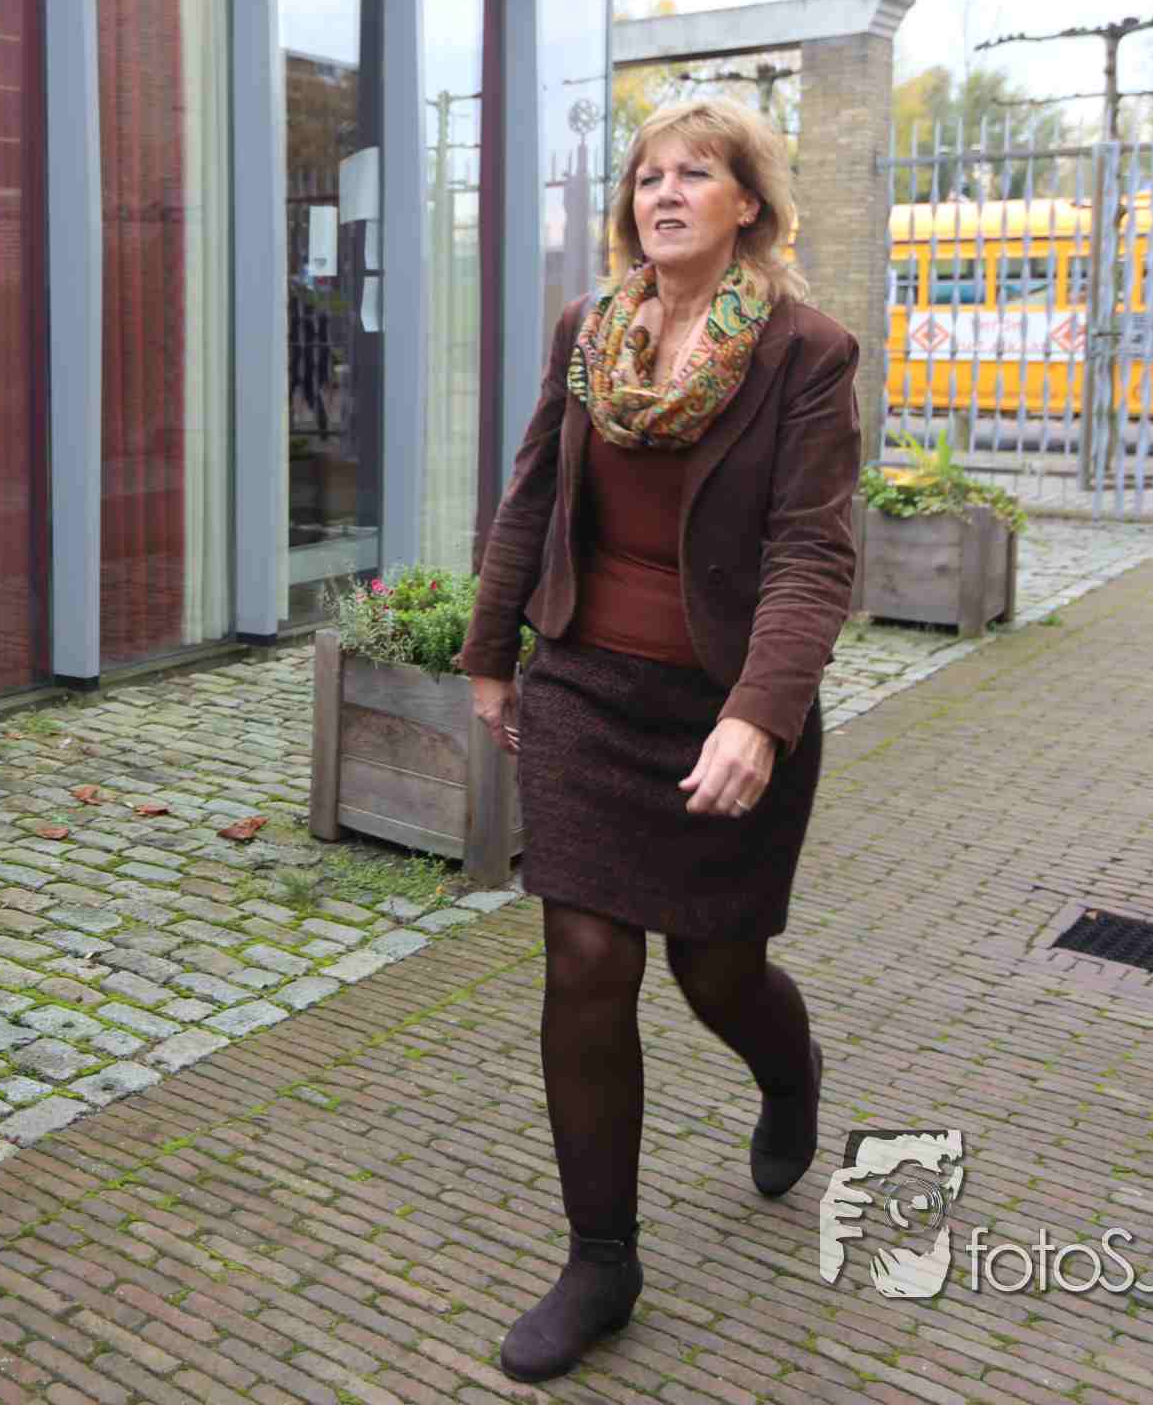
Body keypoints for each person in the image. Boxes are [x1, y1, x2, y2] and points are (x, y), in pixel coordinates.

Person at [459, 101, 860, 1382]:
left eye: (698, 173)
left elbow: (811, 552)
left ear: (750, 204)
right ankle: (602, 1260)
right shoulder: (590, 332)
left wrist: (760, 713)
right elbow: (533, 490)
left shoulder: (804, 354)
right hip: (586, 688)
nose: (666, 192)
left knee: (716, 971)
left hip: (723, 706)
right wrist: (489, 651)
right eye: (648, 176)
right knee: (584, 956)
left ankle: (789, 1073)